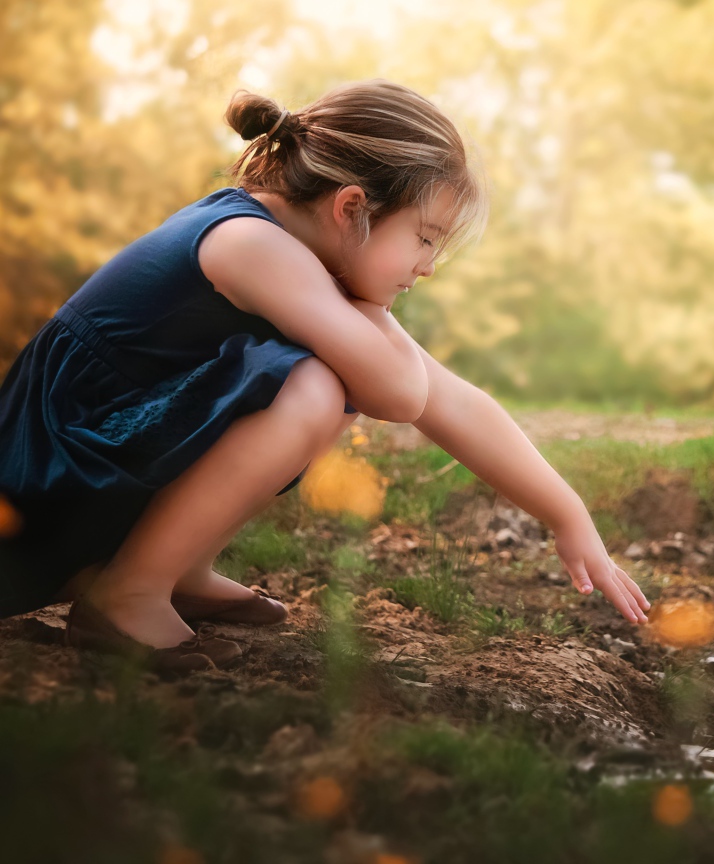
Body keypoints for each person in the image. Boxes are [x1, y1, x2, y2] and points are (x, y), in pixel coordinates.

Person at [0, 80, 649, 672]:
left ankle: (177, 568)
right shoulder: (254, 246)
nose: (428, 266)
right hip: (45, 476)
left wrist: (567, 514)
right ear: (351, 208)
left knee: (325, 375)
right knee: (315, 386)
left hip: (95, 452)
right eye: (424, 238)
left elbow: (450, 400)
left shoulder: (300, 257)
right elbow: (398, 392)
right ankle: (128, 592)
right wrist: (370, 309)